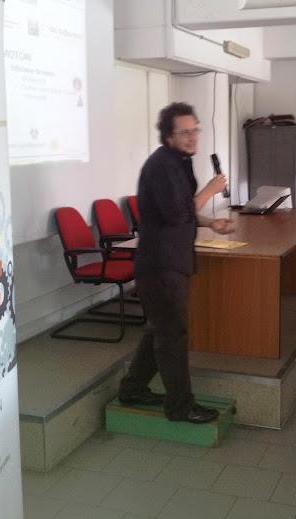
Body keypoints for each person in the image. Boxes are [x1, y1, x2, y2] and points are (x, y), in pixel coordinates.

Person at [118, 102, 234, 424]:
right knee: (172, 336)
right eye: (184, 132)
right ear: (168, 136)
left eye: (195, 130)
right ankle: (180, 407)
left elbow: (180, 211)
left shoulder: (178, 162)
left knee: (160, 330)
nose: (192, 137)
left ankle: (132, 389)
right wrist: (210, 190)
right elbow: (175, 213)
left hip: (172, 262)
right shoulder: (162, 166)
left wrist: (210, 224)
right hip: (161, 265)